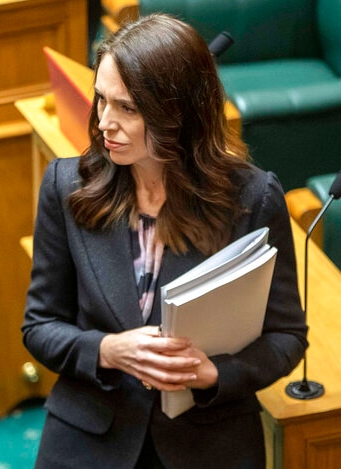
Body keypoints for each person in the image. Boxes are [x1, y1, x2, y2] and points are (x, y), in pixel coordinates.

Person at [22, 14, 307, 469]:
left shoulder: (253, 197)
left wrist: (216, 374)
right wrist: (107, 351)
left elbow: (287, 336)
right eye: (101, 100)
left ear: (180, 114)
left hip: (209, 440)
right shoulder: (66, 185)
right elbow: (39, 327)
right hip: (94, 430)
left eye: (128, 109)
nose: (105, 124)